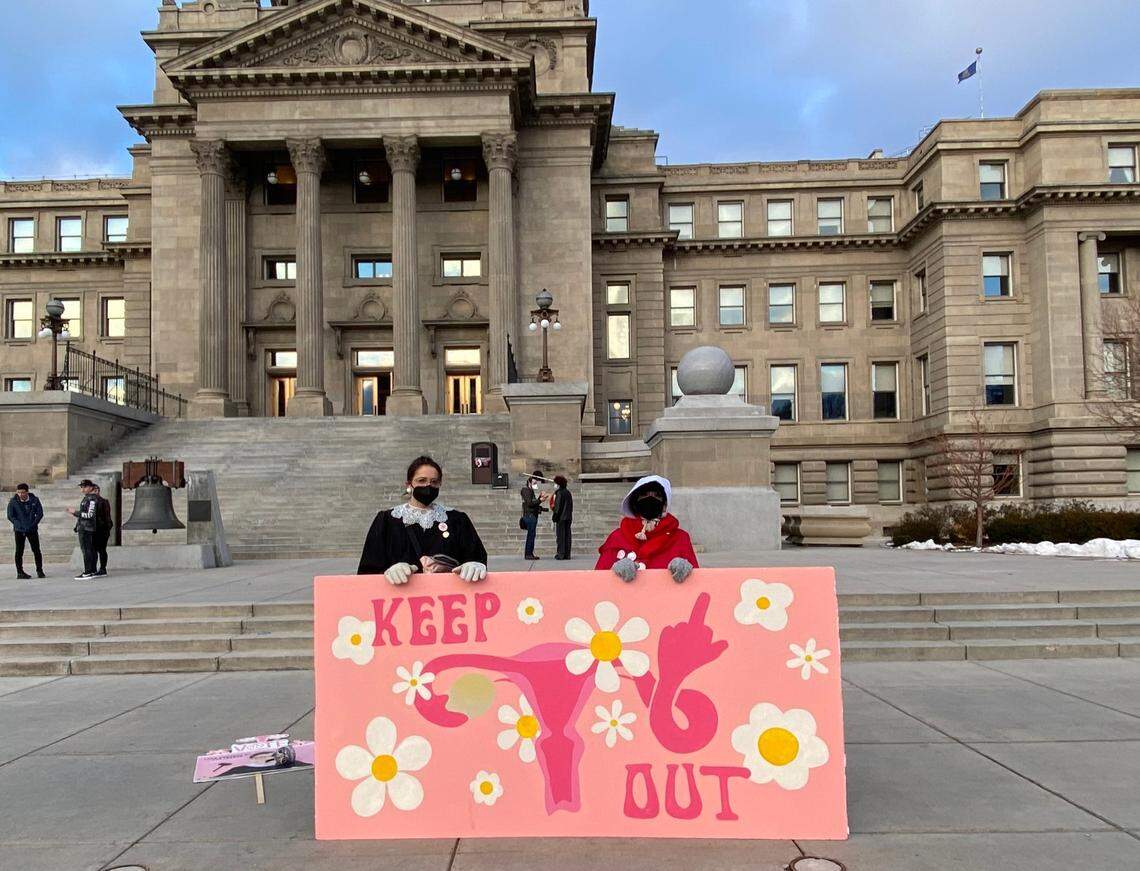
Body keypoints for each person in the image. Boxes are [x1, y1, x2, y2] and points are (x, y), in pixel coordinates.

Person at [358, 456, 489, 585]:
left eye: (434, 482)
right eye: (421, 480)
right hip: (400, 597)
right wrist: (388, 572)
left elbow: (476, 557)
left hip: (448, 599)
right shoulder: (387, 520)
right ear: (409, 484)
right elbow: (368, 569)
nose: (428, 486)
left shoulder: (457, 519)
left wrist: (475, 564)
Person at [595, 475, 698, 583]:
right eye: (644, 494)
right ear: (635, 502)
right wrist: (613, 573)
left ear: (664, 504)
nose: (650, 499)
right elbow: (597, 582)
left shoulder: (680, 538)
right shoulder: (617, 537)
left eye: (657, 495)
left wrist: (688, 572)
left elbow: (698, 583)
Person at [7, 483, 45, 580]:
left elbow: (40, 513)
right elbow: (11, 516)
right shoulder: (13, 502)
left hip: (32, 529)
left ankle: (39, 570)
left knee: (36, 550)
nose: (21, 495)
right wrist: (18, 524)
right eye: (19, 492)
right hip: (19, 530)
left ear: (27, 492)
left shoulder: (34, 500)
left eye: (23, 492)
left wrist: (34, 523)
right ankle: (20, 572)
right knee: (19, 551)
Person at [66, 479, 100, 580]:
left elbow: (90, 515)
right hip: (84, 526)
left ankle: (88, 571)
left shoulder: (91, 499)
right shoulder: (87, 498)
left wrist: (75, 512)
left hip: (86, 528)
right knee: (89, 550)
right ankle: (92, 570)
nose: (82, 489)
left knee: (87, 550)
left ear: (90, 487)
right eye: (81, 487)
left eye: (84, 487)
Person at [519, 470, 546, 561]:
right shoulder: (526, 490)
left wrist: (539, 499)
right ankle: (528, 553)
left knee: (532, 535)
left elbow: (533, 503)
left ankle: (530, 553)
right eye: (534, 482)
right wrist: (540, 500)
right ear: (529, 482)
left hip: (532, 516)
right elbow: (530, 503)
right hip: (529, 516)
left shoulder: (530, 491)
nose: (535, 484)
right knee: (531, 535)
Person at [92, 484, 113, 577]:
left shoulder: (103, 502)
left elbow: (107, 516)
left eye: (95, 490)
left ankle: (102, 568)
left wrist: (106, 528)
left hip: (102, 529)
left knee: (101, 549)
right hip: (92, 529)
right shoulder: (89, 502)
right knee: (93, 550)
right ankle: (93, 568)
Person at [552, 475, 573, 560]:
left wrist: (555, 516)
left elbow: (558, 506)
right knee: (567, 536)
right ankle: (567, 554)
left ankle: (560, 554)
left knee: (560, 536)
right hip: (568, 517)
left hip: (561, 517)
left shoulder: (559, 493)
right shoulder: (568, 492)